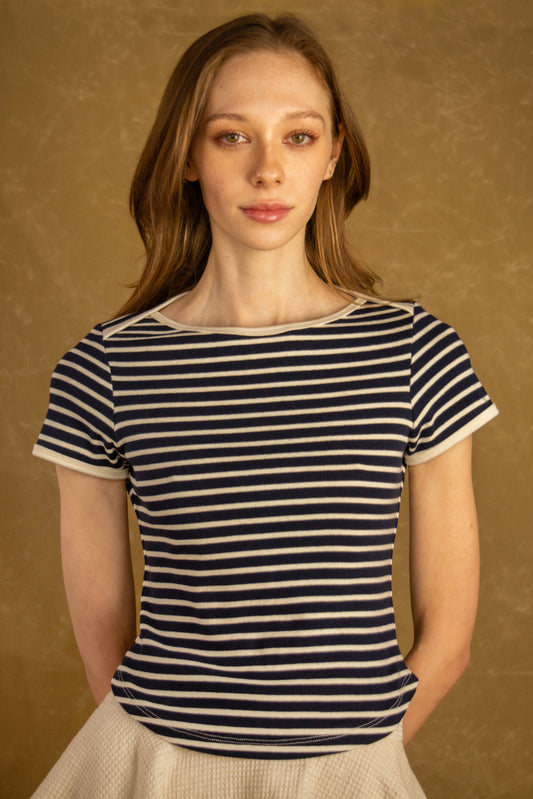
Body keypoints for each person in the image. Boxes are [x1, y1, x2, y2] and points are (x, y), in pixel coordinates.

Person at [31, 13, 498, 799]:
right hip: (159, 767)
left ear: (333, 155)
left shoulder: (415, 351)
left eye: (298, 136)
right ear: (186, 155)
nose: (269, 171)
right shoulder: (105, 368)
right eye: (231, 136)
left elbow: (446, 637)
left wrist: (348, 763)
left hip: (349, 770)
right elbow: (103, 642)